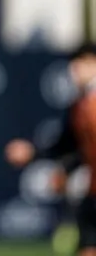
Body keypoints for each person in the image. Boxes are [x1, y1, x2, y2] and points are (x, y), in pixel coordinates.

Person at [6, 44, 96, 256]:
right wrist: (34, 153)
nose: (75, 70)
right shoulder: (80, 104)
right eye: (74, 64)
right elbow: (70, 144)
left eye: (82, 63)